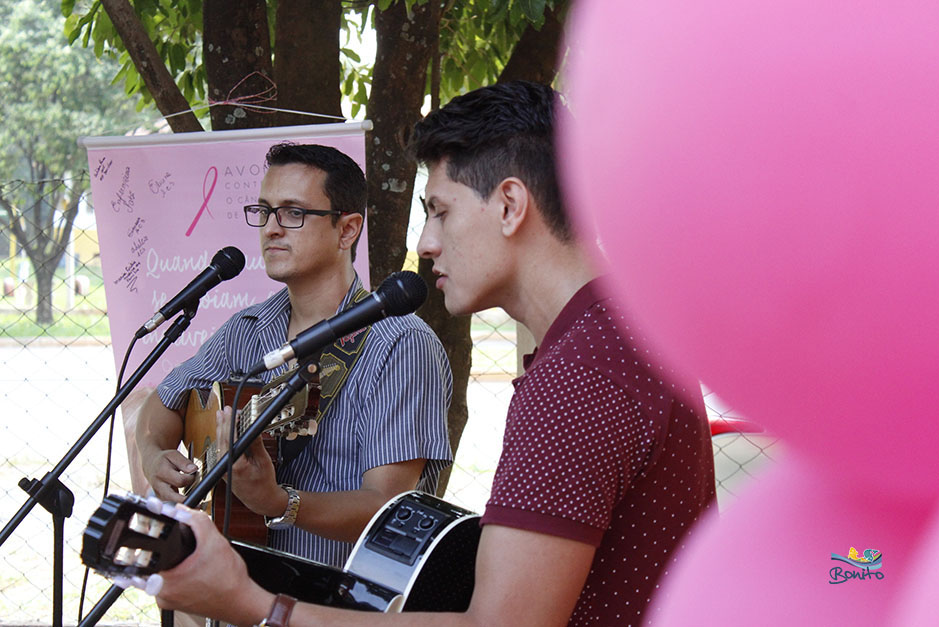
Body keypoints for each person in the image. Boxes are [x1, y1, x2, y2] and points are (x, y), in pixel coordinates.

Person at [140, 82, 716, 626]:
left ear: (510, 205)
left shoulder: (576, 378)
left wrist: (256, 605)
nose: (425, 243)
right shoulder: (621, 339)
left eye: (439, 210)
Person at [135, 142, 453, 568]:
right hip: (242, 591)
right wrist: (156, 455)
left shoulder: (400, 345)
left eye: (293, 213)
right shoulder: (246, 332)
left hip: (339, 602)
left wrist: (277, 501)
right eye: (264, 211)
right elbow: (163, 402)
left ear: (347, 230)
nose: (271, 229)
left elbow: (388, 509)